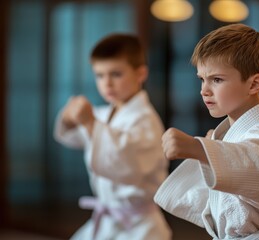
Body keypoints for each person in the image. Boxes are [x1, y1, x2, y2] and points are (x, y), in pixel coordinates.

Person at [154, 23, 259, 240]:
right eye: (202, 79)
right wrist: (212, 152)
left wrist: (200, 149)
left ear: (254, 85)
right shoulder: (230, 136)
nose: (204, 90)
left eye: (216, 79)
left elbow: (257, 165)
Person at [54, 33, 172, 240]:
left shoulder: (145, 121)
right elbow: (74, 137)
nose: (107, 83)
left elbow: (125, 163)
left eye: (116, 74)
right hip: (106, 219)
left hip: (139, 225)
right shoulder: (104, 114)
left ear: (140, 74)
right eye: (100, 75)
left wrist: (89, 122)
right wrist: (69, 118)